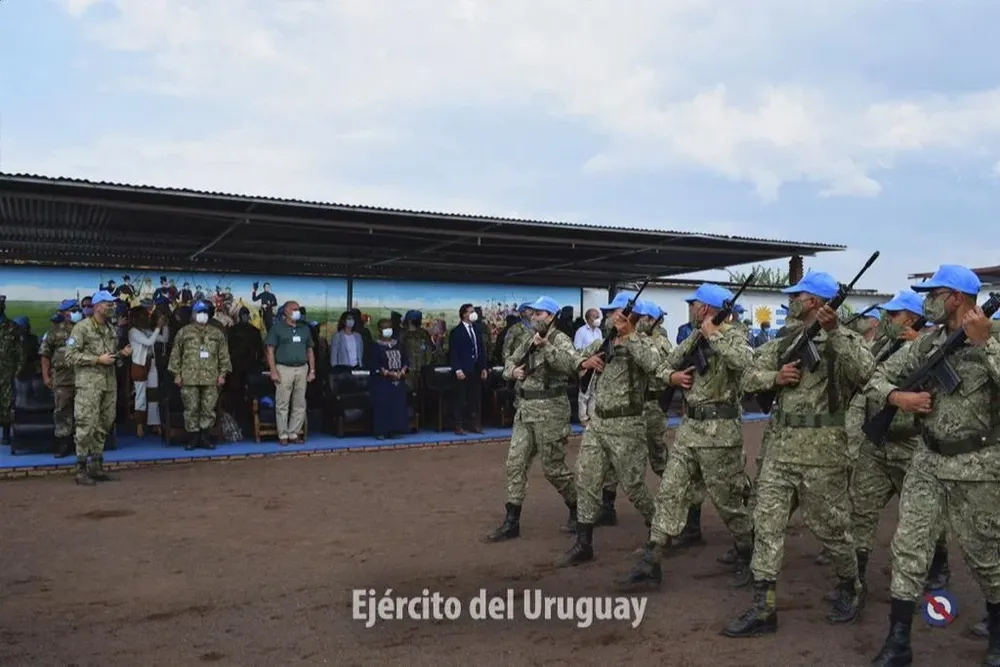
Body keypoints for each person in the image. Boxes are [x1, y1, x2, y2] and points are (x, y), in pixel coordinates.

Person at [723, 271, 873, 637]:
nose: (791, 300)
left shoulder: (846, 339)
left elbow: (867, 374)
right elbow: (746, 377)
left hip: (824, 449)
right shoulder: (784, 339)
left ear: (817, 302)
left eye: (798, 295)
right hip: (781, 447)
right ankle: (764, 608)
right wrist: (774, 378)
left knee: (832, 528)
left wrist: (836, 332)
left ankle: (851, 585)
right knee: (768, 525)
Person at [866, 265, 1000, 666]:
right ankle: (898, 643)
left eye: (934, 293)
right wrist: (896, 399)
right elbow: (876, 376)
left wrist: (984, 346)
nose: (926, 301)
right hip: (926, 460)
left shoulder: (994, 340)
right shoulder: (928, 344)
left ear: (956, 297)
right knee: (908, 548)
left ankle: (997, 638)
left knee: (987, 554)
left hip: (977, 466)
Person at [617, 283, 755, 590]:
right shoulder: (693, 336)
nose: (690, 308)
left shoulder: (735, 335)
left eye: (693, 304)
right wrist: (672, 377)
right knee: (669, 491)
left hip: (720, 434)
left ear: (705, 308)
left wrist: (714, 336)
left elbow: (747, 365)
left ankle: (748, 554)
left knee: (728, 502)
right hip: (689, 430)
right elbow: (666, 363)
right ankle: (652, 560)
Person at [843, 290, 950, 608]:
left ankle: (939, 563)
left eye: (894, 315)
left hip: (912, 446)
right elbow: (866, 382)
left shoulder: (935, 350)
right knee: (860, 511)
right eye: (887, 315)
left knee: (926, 517)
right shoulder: (881, 346)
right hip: (876, 444)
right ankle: (855, 578)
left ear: (914, 318)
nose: (887, 320)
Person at [557, 292, 662, 568]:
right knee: (587, 477)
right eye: (607, 313)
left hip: (627, 425)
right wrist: (585, 363)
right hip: (599, 423)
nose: (607, 316)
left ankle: (660, 533)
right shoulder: (604, 342)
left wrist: (629, 334)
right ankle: (584, 544)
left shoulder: (641, 342)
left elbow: (655, 365)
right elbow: (574, 358)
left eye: (613, 312)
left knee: (634, 486)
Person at [485, 297, 578, 542]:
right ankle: (511, 521)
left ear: (551, 316)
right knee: (515, 464)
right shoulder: (528, 338)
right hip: (525, 410)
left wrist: (546, 346)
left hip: (551, 412)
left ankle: (579, 509)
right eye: (533, 313)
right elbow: (510, 361)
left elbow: (570, 366)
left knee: (553, 469)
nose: (534, 316)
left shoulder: (561, 340)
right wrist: (512, 372)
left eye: (539, 313)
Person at [65, 290, 131, 485]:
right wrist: (96, 359)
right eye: (107, 304)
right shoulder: (82, 328)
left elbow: (110, 358)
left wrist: (121, 354)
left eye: (112, 304)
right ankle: (81, 470)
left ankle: (96, 467)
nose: (111, 307)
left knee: (103, 425)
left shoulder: (110, 329)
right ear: (97, 306)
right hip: (89, 386)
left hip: (108, 385)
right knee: (86, 426)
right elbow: (69, 356)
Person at [168, 301, 232, 450]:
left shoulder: (216, 333)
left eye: (204, 312)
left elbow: (224, 355)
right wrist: (176, 374)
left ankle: (205, 437)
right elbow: (175, 355)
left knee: (208, 409)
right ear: (193, 314)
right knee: (191, 408)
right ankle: (193, 438)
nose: (202, 315)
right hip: (189, 378)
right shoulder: (184, 332)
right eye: (199, 312)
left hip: (211, 378)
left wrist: (222, 374)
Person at [265, 300, 316, 445]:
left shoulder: (304, 328)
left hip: (302, 368)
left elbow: (310, 350)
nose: (297, 311)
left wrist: (312, 370)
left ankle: (294, 433)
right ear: (286, 311)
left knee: (300, 402)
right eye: (294, 309)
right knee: (282, 403)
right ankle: (283, 435)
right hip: (283, 368)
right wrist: (273, 371)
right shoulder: (277, 328)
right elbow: (270, 351)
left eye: (298, 309)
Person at [40, 299, 82, 458]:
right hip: (62, 380)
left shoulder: (85, 329)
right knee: (62, 411)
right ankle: (63, 444)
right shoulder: (54, 332)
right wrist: (46, 375)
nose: (77, 312)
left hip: (83, 379)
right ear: (64, 312)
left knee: (83, 411)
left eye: (77, 309)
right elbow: (45, 354)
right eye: (73, 309)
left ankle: (81, 444)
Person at [128, 307, 169, 438]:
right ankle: (139, 425)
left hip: (151, 365)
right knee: (140, 396)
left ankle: (154, 423)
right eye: (143, 315)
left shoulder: (146, 330)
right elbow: (149, 342)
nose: (146, 318)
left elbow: (164, 339)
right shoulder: (133, 332)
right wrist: (158, 327)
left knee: (153, 395)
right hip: (139, 366)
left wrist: (165, 325)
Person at [448, 303, 487, 435]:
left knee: (474, 398)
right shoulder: (456, 332)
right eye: (470, 311)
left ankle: (474, 424)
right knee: (460, 398)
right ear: (464, 314)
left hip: (475, 368)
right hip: (463, 370)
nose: (473, 313)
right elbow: (454, 352)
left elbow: (481, 349)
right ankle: (458, 426)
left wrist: (483, 368)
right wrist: (457, 369)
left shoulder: (477, 329)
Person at [369, 319, 410, 440]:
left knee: (397, 405)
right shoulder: (375, 346)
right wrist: (388, 373)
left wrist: (402, 371)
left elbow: (406, 360)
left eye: (390, 327)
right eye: (385, 327)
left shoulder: (398, 344)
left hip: (398, 379)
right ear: (380, 330)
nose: (388, 330)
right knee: (383, 405)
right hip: (382, 382)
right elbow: (374, 364)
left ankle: (396, 430)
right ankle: (381, 431)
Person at [574, 308, 603, 428]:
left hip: (597, 365)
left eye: (598, 316)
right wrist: (585, 363)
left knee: (594, 392)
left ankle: (592, 415)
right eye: (594, 317)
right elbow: (577, 349)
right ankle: (583, 418)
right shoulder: (581, 331)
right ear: (587, 318)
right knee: (584, 393)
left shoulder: (599, 332)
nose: (597, 319)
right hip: (586, 365)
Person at [401, 310, 433, 393]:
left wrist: (427, 366)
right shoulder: (403, 335)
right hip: (408, 371)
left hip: (422, 370)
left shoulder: (423, 333)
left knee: (422, 393)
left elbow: (429, 351)